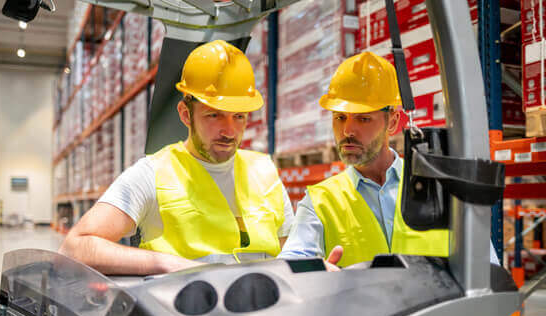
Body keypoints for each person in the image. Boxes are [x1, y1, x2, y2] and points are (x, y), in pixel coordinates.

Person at [60, 40, 294, 275]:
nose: (229, 131)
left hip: (265, 308)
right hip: (183, 308)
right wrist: (167, 263)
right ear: (185, 114)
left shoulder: (265, 171)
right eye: (214, 115)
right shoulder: (153, 173)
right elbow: (75, 247)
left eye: (239, 117)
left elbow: (292, 256)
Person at [279, 51, 498, 269]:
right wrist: (315, 271)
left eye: (363, 119)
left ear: (392, 122)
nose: (347, 130)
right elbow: (290, 264)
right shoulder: (319, 202)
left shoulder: (441, 189)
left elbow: (486, 269)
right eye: (340, 118)